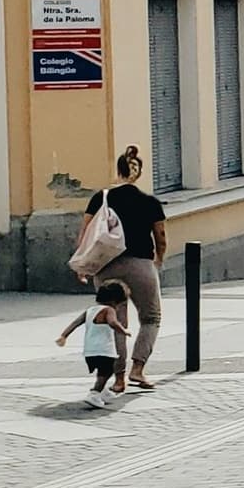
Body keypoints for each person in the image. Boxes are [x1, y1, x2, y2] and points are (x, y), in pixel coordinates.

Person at [82, 146, 167, 389]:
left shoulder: (101, 198)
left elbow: (86, 233)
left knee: (115, 322)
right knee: (151, 317)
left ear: (117, 170)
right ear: (137, 173)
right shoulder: (149, 202)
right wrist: (158, 259)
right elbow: (160, 236)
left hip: (105, 267)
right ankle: (138, 369)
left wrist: (83, 265)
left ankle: (118, 379)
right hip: (140, 265)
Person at [55, 279, 130, 407]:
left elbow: (75, 323)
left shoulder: (90, 310)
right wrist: (123, 330)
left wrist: (64, 336)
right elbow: (113, 323)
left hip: (89, 350)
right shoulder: (109, 310)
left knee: (102, 371)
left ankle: (103, 391)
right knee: (107, 371)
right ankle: (95, 393)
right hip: (104, 349)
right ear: (115, 301)